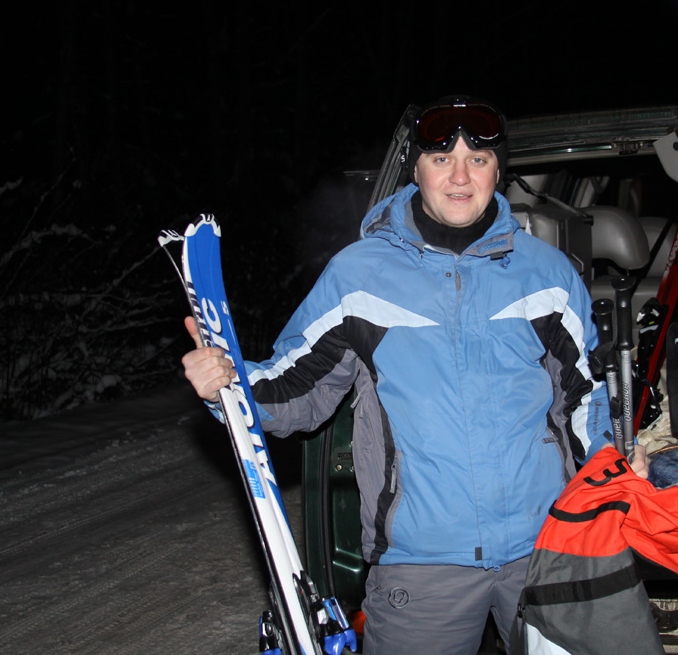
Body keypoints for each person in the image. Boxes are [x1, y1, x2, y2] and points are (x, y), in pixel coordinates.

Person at [182, 95, 647, 654]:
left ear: (498, 172)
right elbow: (294, 390)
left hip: (547, 545)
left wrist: (612, 469)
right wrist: (228, 384)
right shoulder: (359, 276)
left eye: (478, 160)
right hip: (421, 566)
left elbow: (584, 397)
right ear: (416, 170)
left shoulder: (546, 273)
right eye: (441, 159)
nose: (460, 176)